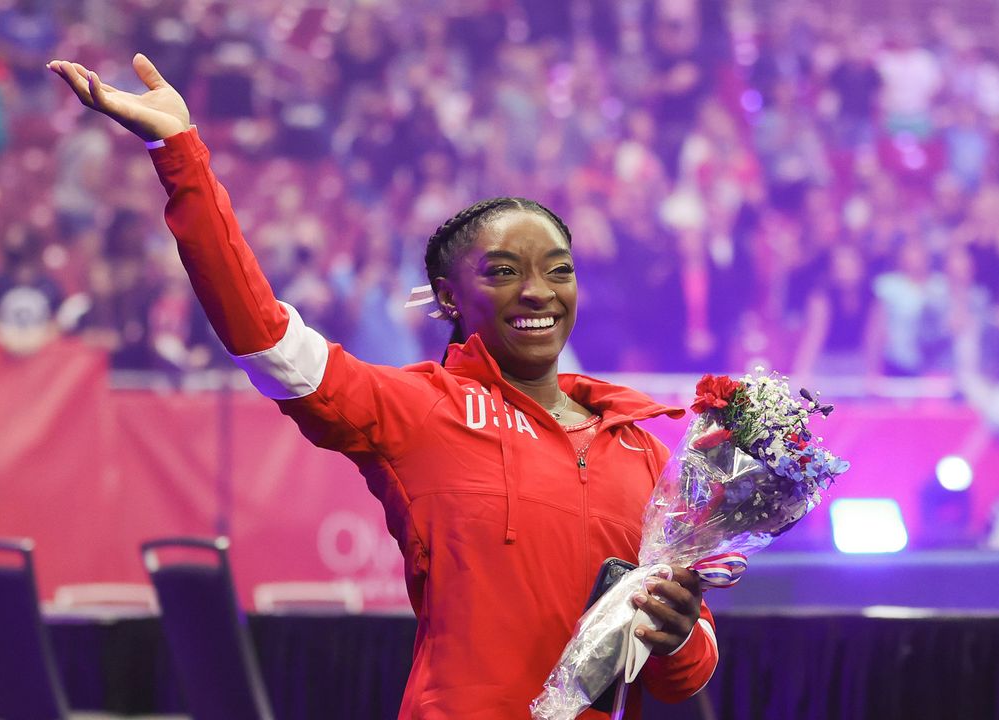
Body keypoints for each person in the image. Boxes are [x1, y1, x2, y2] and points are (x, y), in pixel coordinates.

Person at [47, 54, 717, 719]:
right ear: (450, 298)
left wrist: (681, 631)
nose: (538, 291)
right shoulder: (418, 410)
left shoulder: (642, 450)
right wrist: (181, 155)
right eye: (505, 270)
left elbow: (680, 678)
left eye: (559, 269)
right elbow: (266, 340)